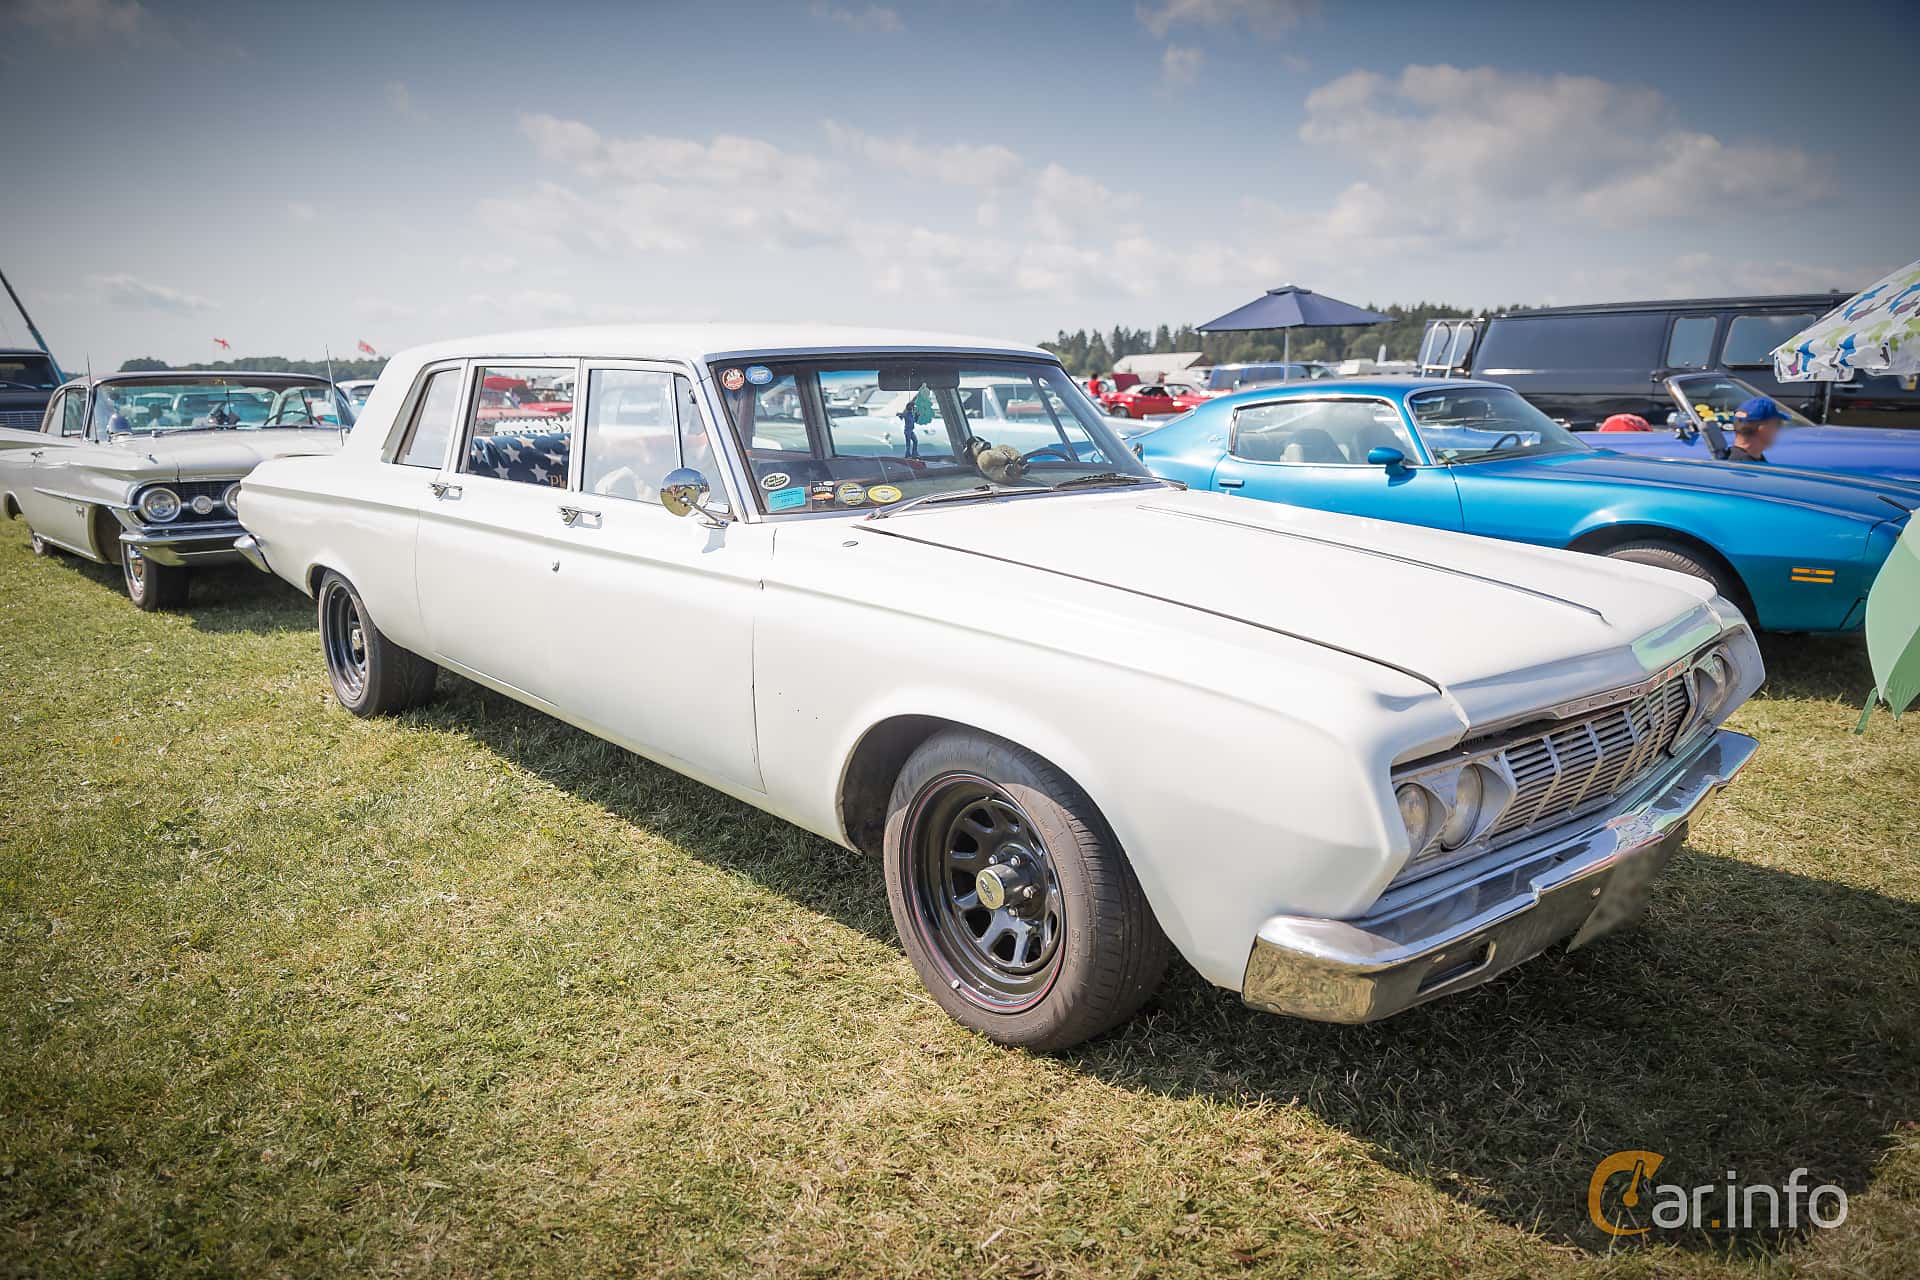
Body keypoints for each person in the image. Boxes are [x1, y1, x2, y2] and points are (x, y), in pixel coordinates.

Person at [1727, 396, 1783, 463]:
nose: (1779, 430)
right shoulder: (1747, 469)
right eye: (1778, 424)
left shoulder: (1732, 460)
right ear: (1763, 429)